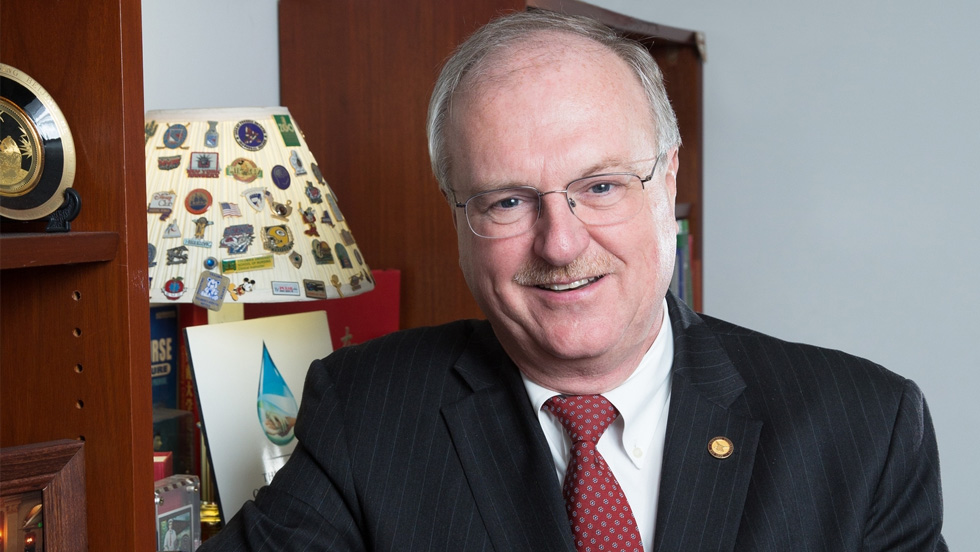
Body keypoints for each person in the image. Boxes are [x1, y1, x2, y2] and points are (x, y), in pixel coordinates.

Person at [200, 10, 946, 551]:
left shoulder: (863, 429)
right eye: (509, 201)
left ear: (668, 179)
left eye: (600, 186)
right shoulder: (366, 412)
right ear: (459, 215)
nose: (560, 245)